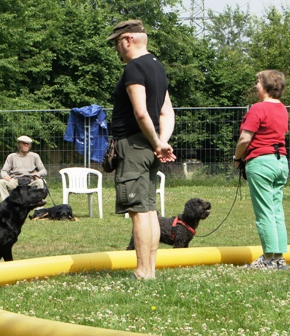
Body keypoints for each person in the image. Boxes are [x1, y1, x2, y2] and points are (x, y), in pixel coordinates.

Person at [107, 20, 176, 280]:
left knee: (137, 212)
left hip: (135, 146)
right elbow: (167, 111)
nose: (117, 49)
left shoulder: (134, 67)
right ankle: (150, 272)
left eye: (116, 43)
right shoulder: (158, 67)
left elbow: (140, 112)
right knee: (148, 210)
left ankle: (141, 271)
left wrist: (158, 143)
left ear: (127, 40)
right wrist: (161, 141)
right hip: (150, 146)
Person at [233, 70, 289, 270]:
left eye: (257, 82)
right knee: (276, 210)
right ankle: (279, 258)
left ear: (266, 86)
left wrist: (237, 158)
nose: (255, 86)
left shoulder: (258, 108)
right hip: (281, 161)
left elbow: (245, 139)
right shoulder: (282, 108)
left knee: (264, 211)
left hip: (261, 162)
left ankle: (267, 259)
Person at [0, 135, 47, 200]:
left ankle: (39, 208)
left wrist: (37, 174)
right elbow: (3, 171)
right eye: (24, 143)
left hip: (31, 180)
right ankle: (8, 205)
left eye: (28, 144)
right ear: (19, 144)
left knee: (40, 182)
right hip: (15, 180)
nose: (26, 145)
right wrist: (5, 176)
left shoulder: (35, 156)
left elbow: (44, 171)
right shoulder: (11, 156)